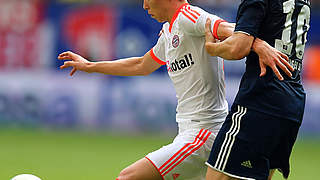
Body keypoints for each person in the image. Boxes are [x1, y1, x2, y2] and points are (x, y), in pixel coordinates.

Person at [58, 0, 291, 179]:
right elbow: (142, 64)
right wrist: (90, 66)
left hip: (203, 134)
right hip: (190, 133)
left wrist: (259, 45)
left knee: (128, 177)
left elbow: (229, 28)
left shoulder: (190, 16)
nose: (144, 5)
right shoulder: (170, 30)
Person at [204, 0, 311, 180]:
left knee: (218, 176)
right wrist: (258, 44)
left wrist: (212, 48)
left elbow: (238, 48)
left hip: (262, 98)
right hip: (292, 101)